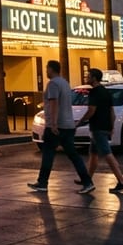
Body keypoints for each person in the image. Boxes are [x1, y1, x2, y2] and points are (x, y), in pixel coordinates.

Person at [29, 60, 94, 194]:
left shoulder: (53, 84)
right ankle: (87, 181)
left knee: (48, 154)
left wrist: (53, 124)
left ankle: (42, 183)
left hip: (57, 126)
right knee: (73, 154)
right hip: (68, 125)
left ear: (52, 69)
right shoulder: (65, 83)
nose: (46, 71)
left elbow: (54, 103)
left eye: (47, 69)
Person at [75, 68, 123, 194]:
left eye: (88, 76)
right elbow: (112, 113)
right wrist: (111, 127)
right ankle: (87, 180)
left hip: (97, 128)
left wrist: (79, 122)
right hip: (103, 127)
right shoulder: (106, 92)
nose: (86, 78)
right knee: (93, 154)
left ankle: (122, 181)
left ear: (94, 78)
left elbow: (91, 110)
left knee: (107, 154)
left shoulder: (94, 93)